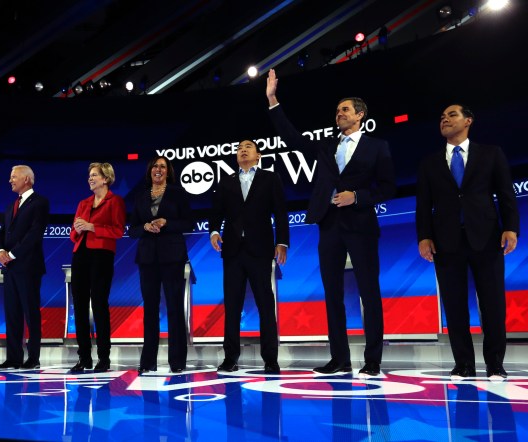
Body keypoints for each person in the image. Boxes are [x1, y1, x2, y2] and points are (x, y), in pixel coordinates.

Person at [266, 69, 395, 377]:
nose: (339, 114)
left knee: (369, 292)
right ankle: (339, 359)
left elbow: (389, 187)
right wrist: (272, 100)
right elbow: (292, 138)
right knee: (332, 294)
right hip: (329, 225)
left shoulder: (378, 146)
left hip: (361, 223)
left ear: (360, 115)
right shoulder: (326, 146)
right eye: (337, 111)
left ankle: (372, 360)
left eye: (345, 110)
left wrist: (359, 196)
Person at [416, 104, 519, 380]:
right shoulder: (429, 163)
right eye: (442, 117)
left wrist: (511, 228)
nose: (445, 119)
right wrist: (424, 236)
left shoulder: (491, 153)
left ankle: (495, 364)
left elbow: (506, 194)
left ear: (468, 121)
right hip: (446, 242)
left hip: (486, 238)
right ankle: (463, 364)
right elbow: (423, 205)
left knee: (493, 303)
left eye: (452, 115)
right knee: (454, 304)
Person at [209, 139, 289, 374]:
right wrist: (214, 231)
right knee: (232, 306)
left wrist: (282, 242)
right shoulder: (226, 181)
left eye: (248, 147)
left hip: (261, 250)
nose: (242, 150)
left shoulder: (270, 178)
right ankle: (230, 358)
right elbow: (216, 213)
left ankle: (270, 359)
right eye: (239, 148)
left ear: (258, 154)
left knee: (265, 304)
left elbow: (281, 212)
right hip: (233, 251)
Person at [129, 156, 194, 374]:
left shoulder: (177, 193)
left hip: (172, 256)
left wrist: (167, 222)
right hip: (147, 258)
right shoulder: (140, 196)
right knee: (150, 310)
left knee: (175, 308)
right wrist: (145, 226)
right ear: (150, 171)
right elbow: (132, 229)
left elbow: (189, 223)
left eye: (163, 167)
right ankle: (148, 361)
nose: (158, 169)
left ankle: (177, 361)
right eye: (155, 166)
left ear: (168, 171)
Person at [69, 162, 126, 373]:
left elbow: (118, 230)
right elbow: (73, 234)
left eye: (94, 175)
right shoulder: (83, 203)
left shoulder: (115, 201)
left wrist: (92, 226)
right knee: (80, 307)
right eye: (89, 175)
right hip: (80, 255)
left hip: (101, 255)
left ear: (105, 178)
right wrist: (78, 228)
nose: (90, 178)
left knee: (99, 305)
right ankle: (84, 358)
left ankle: (104, 357)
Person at [0, 165, 50, 370]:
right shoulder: (11, 206)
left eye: (13, 177)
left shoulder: (40, 203)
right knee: (12, 313)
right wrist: (0, 252)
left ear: (26, 179)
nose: (10, 180)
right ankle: (13, 358)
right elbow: (1, 234)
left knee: (30, 312)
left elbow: (34, 234)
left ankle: (33, 358)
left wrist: (12, 254)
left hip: (28, 267)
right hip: (10, 268)